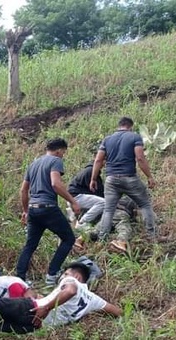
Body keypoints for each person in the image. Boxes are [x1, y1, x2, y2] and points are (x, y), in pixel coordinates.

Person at [0, 262, 121, 340]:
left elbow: (70, 290)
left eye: (66, 273)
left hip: (33, 309)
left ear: (76, 275)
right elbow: (117, 311)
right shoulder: (93, 300)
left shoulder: (72, 281)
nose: (63, 276)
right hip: (36, 325)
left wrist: (46, 307)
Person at [16, 138, 80, 286]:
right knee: (69, 239)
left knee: (30, 245)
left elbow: (23, 190)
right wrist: (73, 201)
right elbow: (55, 184)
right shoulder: (55, 161)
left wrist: (26, 211)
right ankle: (52, 274)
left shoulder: (33, 164)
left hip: (33, 209)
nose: (63, 155)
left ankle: (20, 279)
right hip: (48, 207)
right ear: (58, 150)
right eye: (63, 152)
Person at [90, 117, 159, 242]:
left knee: (108, 209)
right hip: (129, 178)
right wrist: (149, 176)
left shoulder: (107, 139)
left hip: (111, 180)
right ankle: (152, 236)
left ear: (119, 125)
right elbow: (140, 158)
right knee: (144, 204)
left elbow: (98, 160)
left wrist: (93, 179)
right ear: (130, 126)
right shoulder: (134, 137)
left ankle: (102, 238)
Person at [68, 162, 105, 230]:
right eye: (104, 161)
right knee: (103, 203)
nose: (104, 163)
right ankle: (82, 223)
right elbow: (97, 192)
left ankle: (75, 220)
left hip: (74, 197)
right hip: (76, 197)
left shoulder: (89, 170)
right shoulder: (90, 171)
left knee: (99, 202)